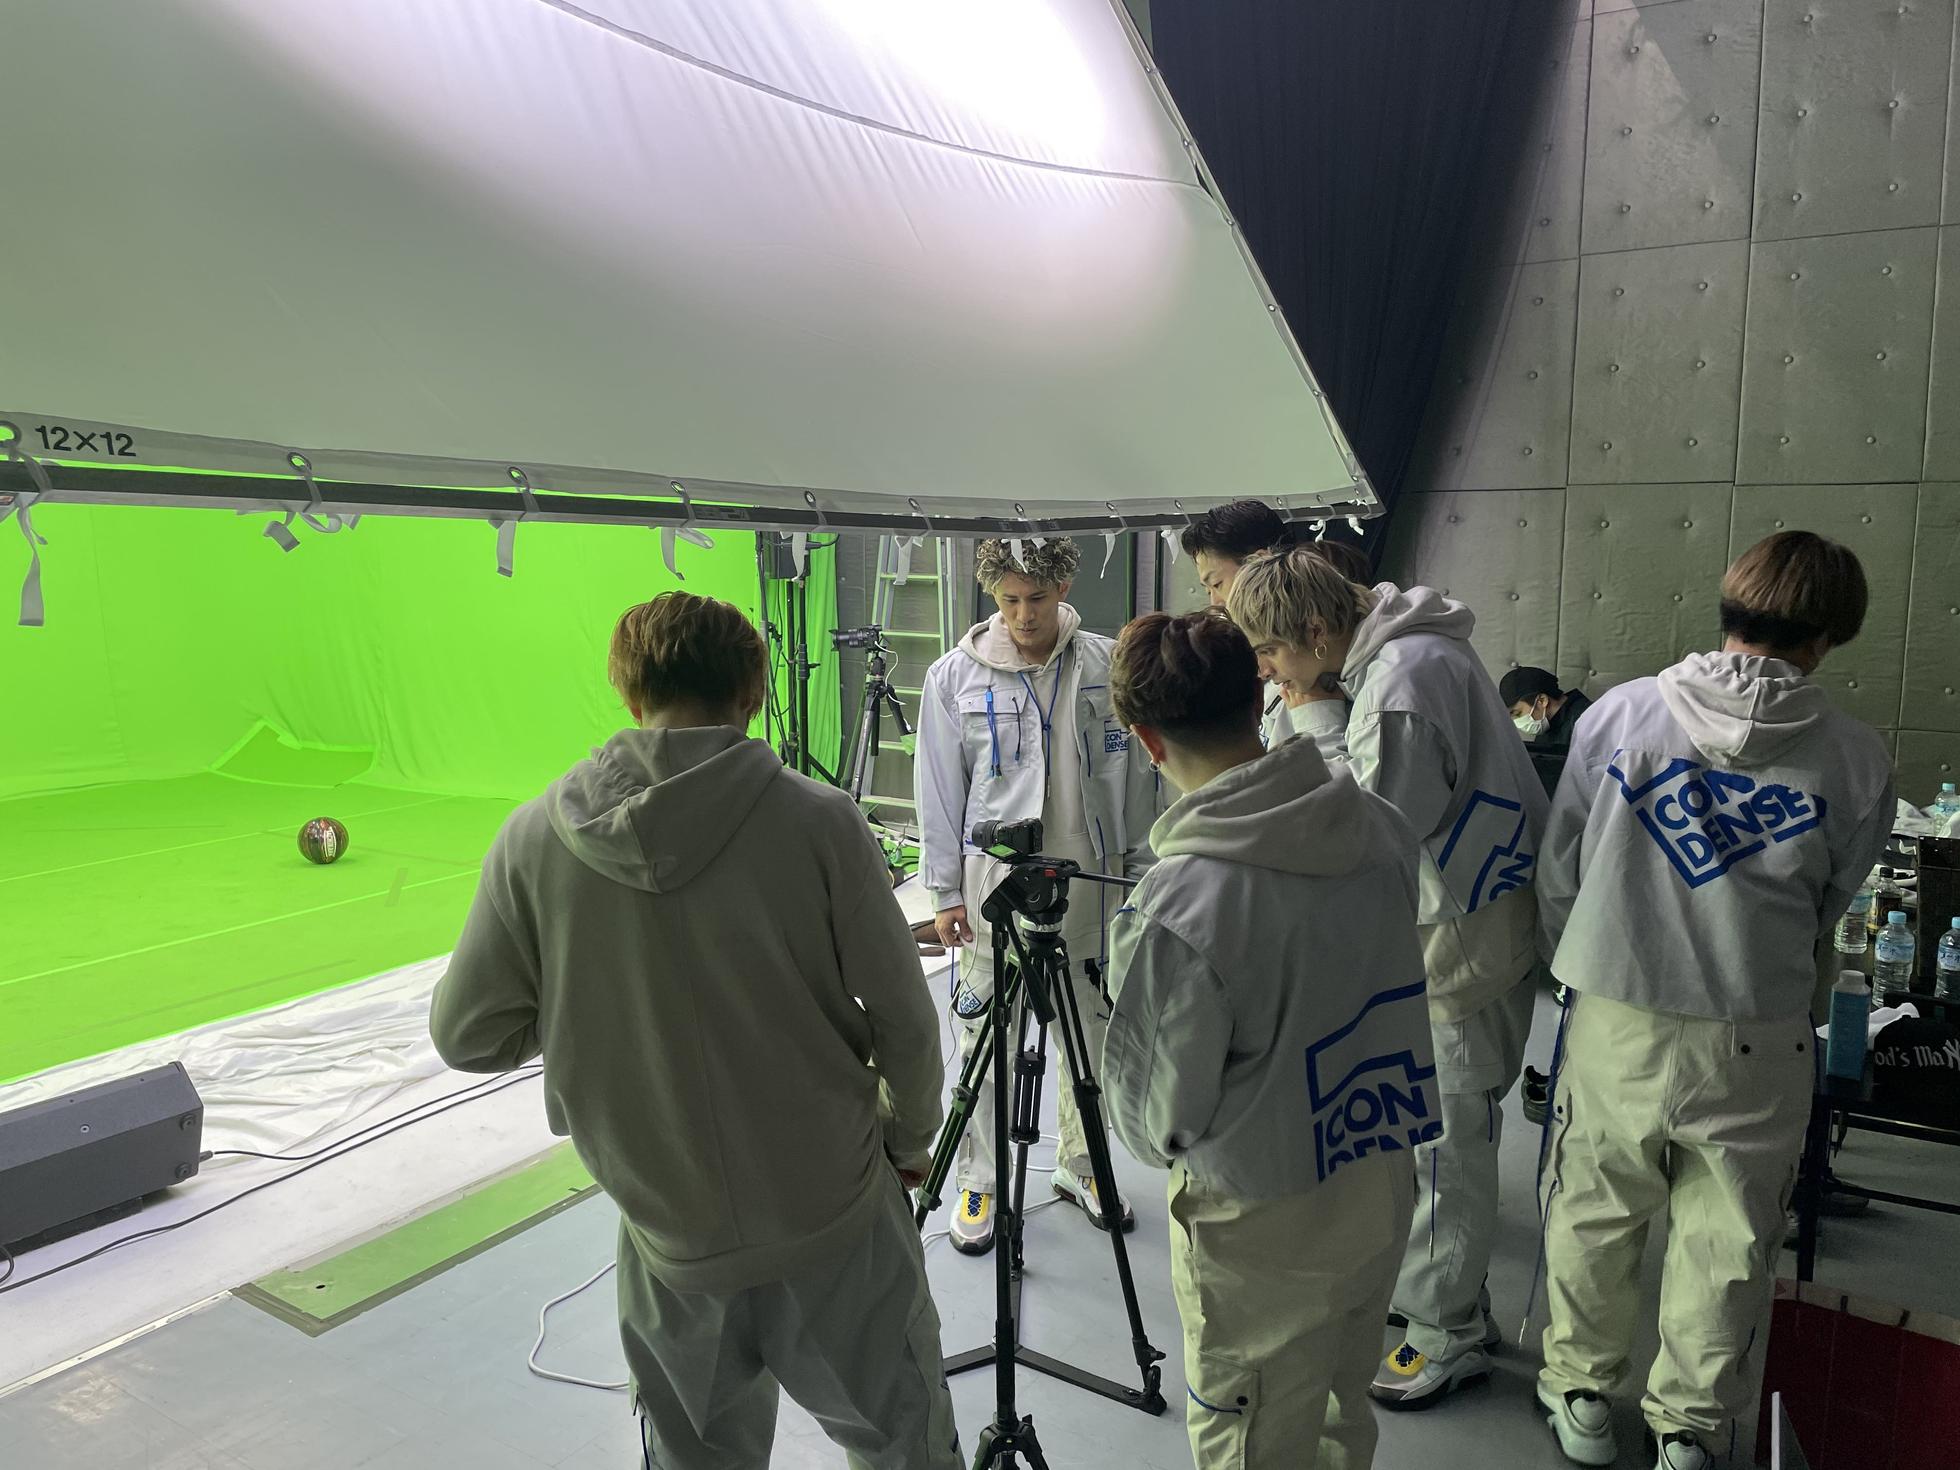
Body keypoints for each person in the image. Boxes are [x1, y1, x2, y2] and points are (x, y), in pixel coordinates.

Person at [429, 591, 959, 1470]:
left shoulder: (532, 841)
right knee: (907, 1449)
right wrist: (907, 1142)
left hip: (670, 1242)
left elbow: (467, 1036)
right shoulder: (820, 821)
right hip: (836, 1223)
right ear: (751, 693)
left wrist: (589, 999)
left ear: (628, 691)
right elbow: (905, 1018)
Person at [1533, 532, 1893, 1470]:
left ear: (1728, 606)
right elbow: (1833, 904)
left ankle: (1581, 1391)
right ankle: (1689, 1429)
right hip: (1757, 1030)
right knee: (1729, 1236)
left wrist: (1582, 963)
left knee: (1595, 1207)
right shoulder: (1855, 757)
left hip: (1617, 1011)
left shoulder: (1620, 715)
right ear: (1827, 638)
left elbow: (1562, 866)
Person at [1102, 609, 1436, 1470]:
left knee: (1253, 1437)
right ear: (1259, 700)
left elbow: (1153, 1120)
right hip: (1377, 1174)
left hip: (1259, 1224)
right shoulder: (1379, 826)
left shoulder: (1180, 908)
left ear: (1147, 741)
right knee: (1341, 1410)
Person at [1226, 548, 1549, 1408]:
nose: (1267, 671)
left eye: (1271, 652)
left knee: (1447, 1139)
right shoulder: (1402, 648)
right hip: (1459, 914)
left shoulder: (1401, 684)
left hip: (1462, 933)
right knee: (1436, 1131)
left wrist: (1312, 717)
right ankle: (1444, 1298)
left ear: (1318, 630)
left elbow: (1365, 835)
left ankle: (1450, 1331)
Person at [914, 537, 1157, 1253]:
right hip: (995, 892)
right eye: (1010, 601)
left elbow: (1138, 778)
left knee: (1091, 1036)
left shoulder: (1107, 665)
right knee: (985, 1039)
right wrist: (944, 892)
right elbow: (938, 789)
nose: (1024, 616)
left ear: (1064, 589)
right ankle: (980, 1180)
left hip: (1090, 886)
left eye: (1038, 599)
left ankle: (1082, 1166)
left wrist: (1141, 874)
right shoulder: (953, 676)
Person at [1178, 499, 1370, 745]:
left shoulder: (1320, 668)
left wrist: (1318, 720)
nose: (1216, 602)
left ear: (1258, 562)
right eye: (1207, 591)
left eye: (1217, 584)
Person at [1499, 666, 1592, 750]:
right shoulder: (1546, 727)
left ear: (1542, 700)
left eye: (1518, 713)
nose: (1516, 722)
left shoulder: (1588, 721)